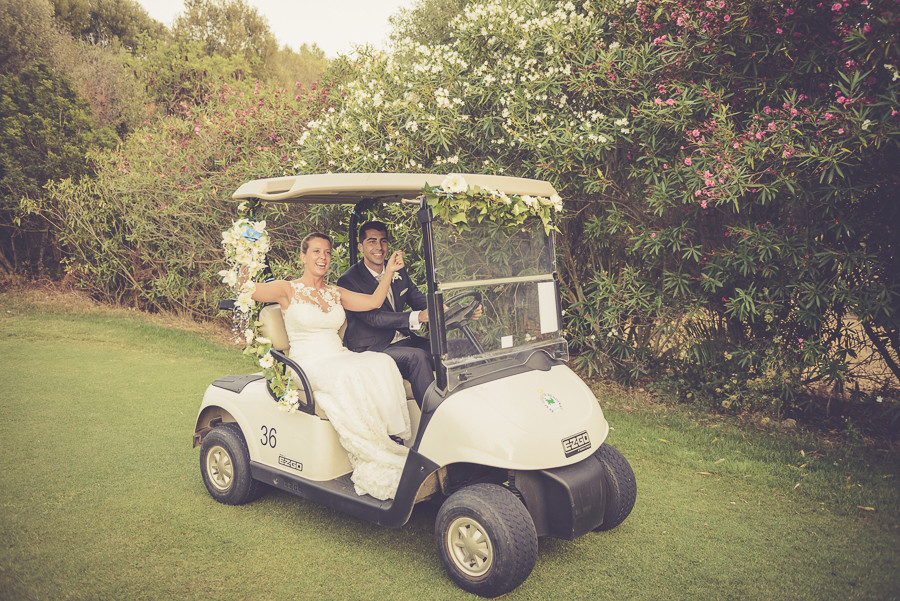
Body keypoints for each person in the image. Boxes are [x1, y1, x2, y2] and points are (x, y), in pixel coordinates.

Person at [245, 232, 411, 501]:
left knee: (382, 362)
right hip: (308, 362)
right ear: (303, 256)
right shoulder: (288, 289)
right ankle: (374, 447)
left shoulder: (335, 292)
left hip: (337, 355)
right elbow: (248, 290)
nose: (323, 257)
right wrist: (245, 253)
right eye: (316, 252)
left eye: (327, 253)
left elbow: (373, 302)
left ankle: (390, 437)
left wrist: (390, 271)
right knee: (349, 374)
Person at [337, 221, 435, 408]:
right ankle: (432, 419)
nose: (379, 247)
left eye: (383, 241)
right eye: (372, 241)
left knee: (453, 347)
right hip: (373, 349)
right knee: (418, 357)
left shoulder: (398, 271)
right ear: (360, 247)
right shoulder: (349, 280)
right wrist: (419, 317)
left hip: (403, 341)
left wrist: (444, 309)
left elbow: (417, 299)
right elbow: (375, 317)